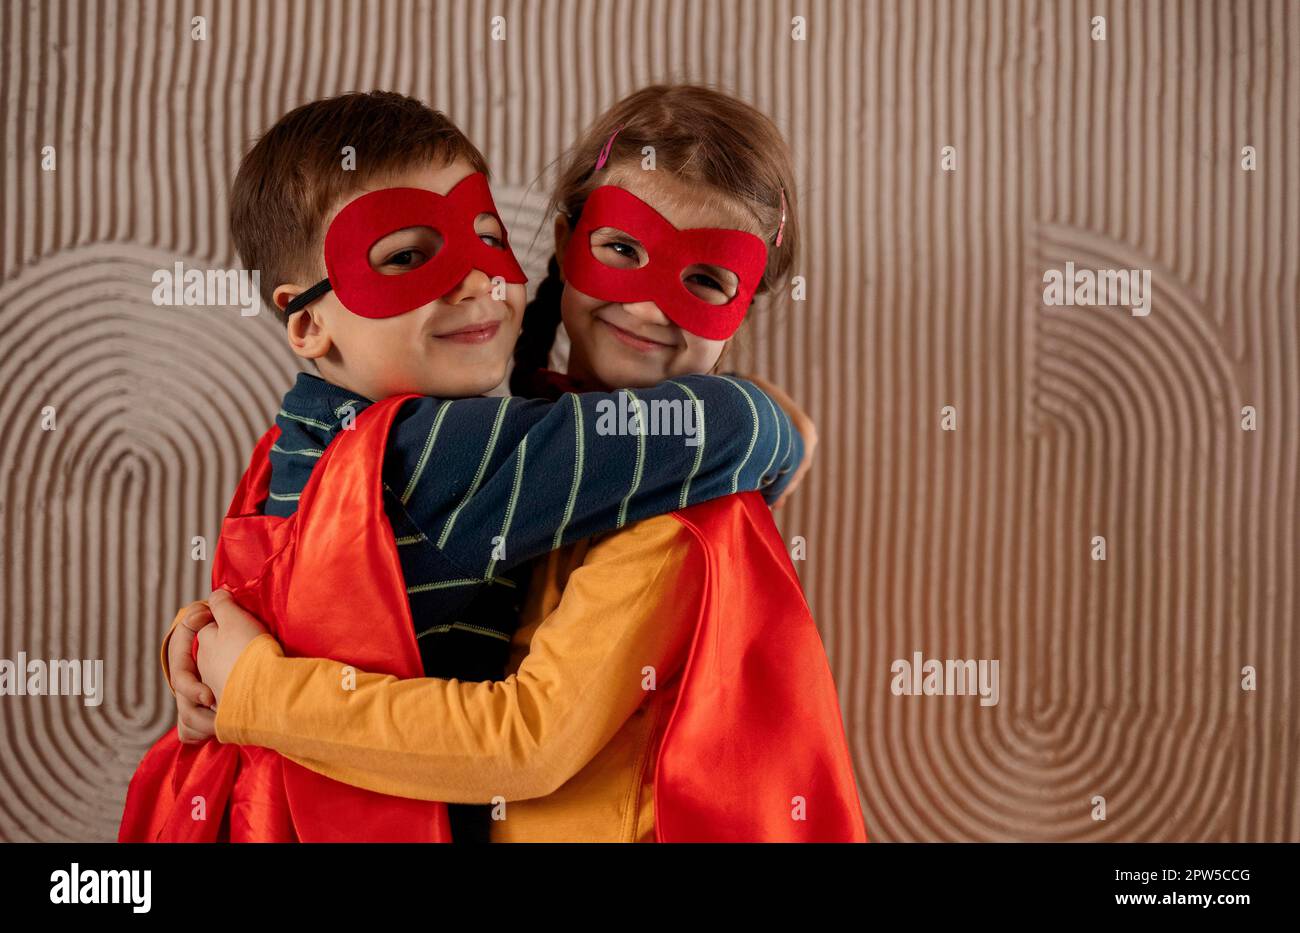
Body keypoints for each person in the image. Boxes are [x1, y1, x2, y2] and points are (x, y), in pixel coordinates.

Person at [170, 85, 864, 842]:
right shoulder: (464, 444)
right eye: (623, 248)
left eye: (705, 279)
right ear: (565, 243)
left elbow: (525, 741)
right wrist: (763, 422)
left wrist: (228, 667)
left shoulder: (651, 500)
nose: (652, 306)